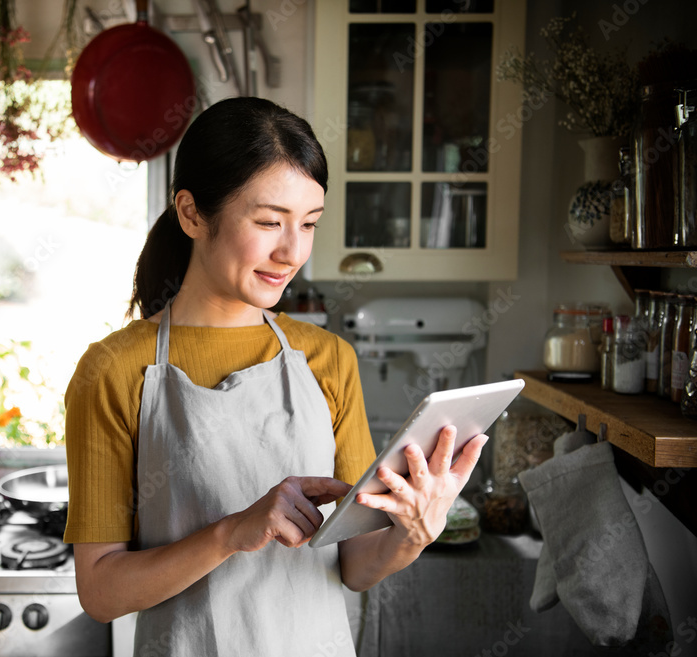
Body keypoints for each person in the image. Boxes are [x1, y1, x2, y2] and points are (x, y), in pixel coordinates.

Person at [64, 97, 488, 657]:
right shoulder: (113, 371)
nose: (291, 252)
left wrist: (412, 531)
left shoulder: (329, 358)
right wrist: (231, 533)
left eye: (308, 224)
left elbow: (355, 564)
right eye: (268, 222)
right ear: (192, 214)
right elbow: (101, 591)